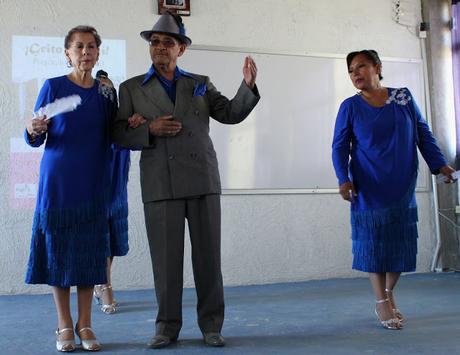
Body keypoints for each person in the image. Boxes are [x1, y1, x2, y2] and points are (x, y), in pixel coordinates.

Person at [112, 12, 260, 349]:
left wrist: (247, 87)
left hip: (202, 178)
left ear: (182, 49)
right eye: (155, 42)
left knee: (208, 258)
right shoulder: (132, 87)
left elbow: (230, 113)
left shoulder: (199, 83)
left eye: (168, 42)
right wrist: (148, 129)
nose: (160, 47)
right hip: (160, 182)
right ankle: (166, 327)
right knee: (166, 262)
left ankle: (211, 325)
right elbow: (118, 133)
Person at [331, 49, 456, 330]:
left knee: (399, 244)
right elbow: (339, 147)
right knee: (373, 244)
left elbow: (422, 133)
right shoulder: (350, 107)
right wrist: (343, 179)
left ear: (377, 67)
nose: (355, 74)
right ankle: (380, 301)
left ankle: (389, 294)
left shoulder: (402, 97)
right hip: (368, 186)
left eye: (361, 66)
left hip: (401, 184)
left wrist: (440, 165)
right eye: (351, 70)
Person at [24, 26, 129, 352]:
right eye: (79, 47)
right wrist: (32, 128)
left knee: (88, 256)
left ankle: (86, 324)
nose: (86, 52)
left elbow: (117, 134)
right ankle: (64, 325)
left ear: (98, 53)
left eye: (91, 47)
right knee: (58, 254)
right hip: (58, 184)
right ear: (67, 53)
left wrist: (134, 124)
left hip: (93, 183)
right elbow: (35, 135)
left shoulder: (105, 93)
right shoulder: (52, 86)